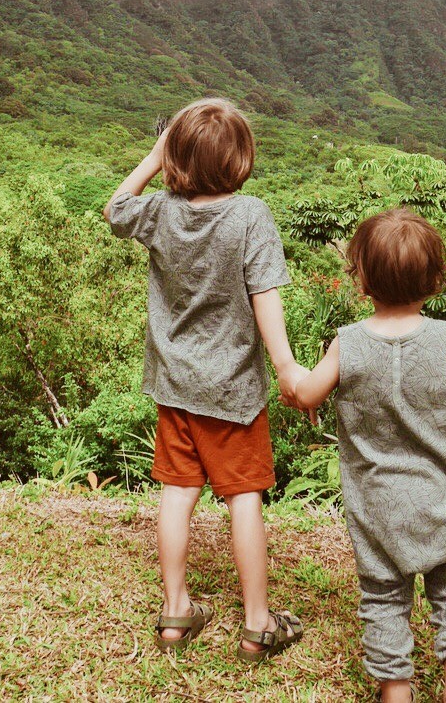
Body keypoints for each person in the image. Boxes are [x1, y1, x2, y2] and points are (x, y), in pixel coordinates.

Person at [103, 97, 307, 662]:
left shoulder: (162, 212)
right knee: (244, 499)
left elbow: (116, 207)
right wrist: (288, 368)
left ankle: (175, 612)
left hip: (175, 386)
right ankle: (258, 625)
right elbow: (266, 299)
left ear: (177, 159)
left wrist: (154, 155)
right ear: (240, 158)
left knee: (177, 494)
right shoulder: (250, 216)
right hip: (234, 393)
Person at [295, 209, 446, 703]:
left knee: (383, 599)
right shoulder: (444, 336)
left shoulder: (348, 343)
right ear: (433, 282)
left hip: (379, 506)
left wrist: (289, 378)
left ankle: (396, 693)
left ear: (362, 281)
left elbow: (307, 392)